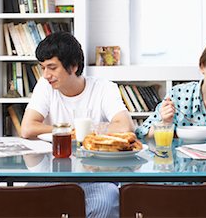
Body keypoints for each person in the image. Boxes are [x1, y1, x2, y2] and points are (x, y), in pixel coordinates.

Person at [21, 31, 135, 218]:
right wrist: (72, 131)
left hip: (97, 175)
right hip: (51, 173)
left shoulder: (104, 88)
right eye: (43, 68)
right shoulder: (45, 86)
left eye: (52, 67)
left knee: (105, 203)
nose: (46, 75)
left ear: (73, 66)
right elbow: (27, 129)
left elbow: (125, 126)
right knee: (24, 200)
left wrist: (84, 131)